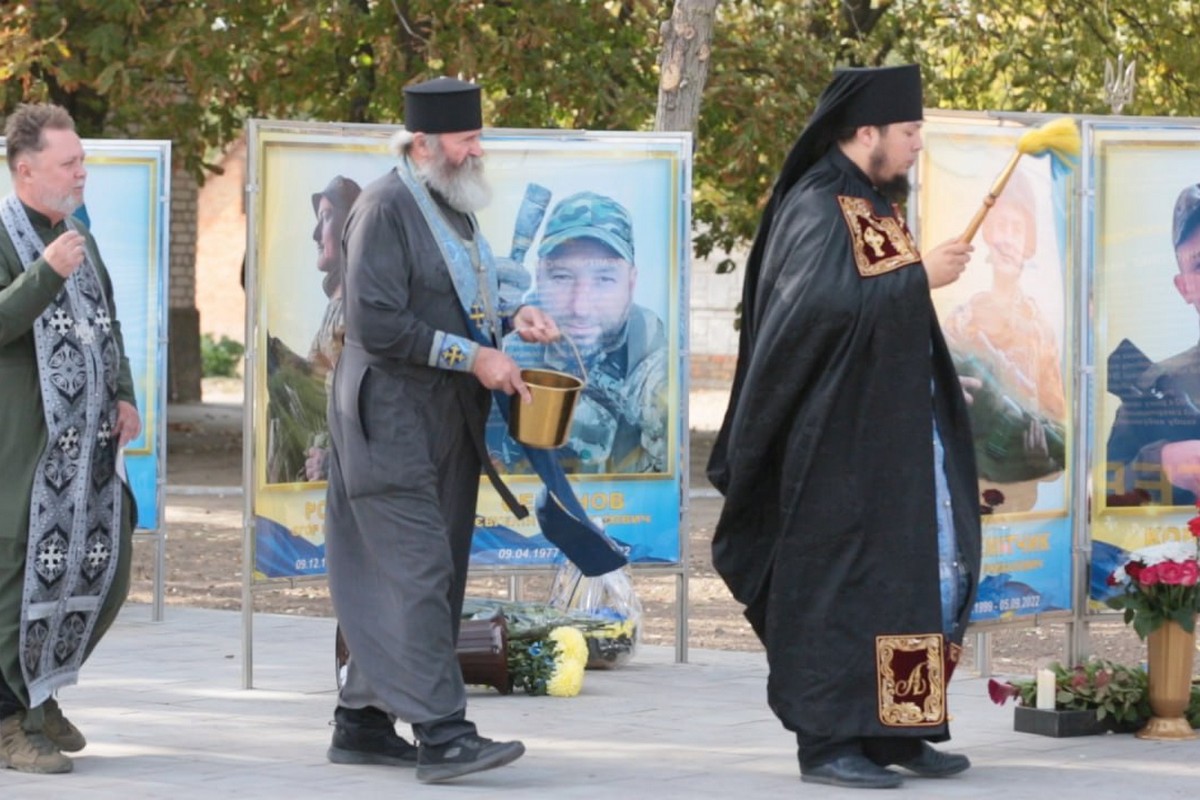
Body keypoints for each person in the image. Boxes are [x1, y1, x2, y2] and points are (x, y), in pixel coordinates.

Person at [707, 65, 981, 790]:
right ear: (868, 134)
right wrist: (921, 274)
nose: (919, 143)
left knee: (904, 585)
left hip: (886, 440)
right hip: (829, 447)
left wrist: (935, 375)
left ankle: (902, 726)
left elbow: (876, 319)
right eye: (910, 131)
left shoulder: (872, 202)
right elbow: (817, 314)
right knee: (836, 590)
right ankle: (827, 741)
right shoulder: (818, 203)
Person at [322, 76, 558, 784]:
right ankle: (444, 734)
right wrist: (474, 355)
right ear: (422, 143)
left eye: (478, 137)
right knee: (419, 571)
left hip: (442, 420)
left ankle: (361, 722)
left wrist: (514, 319)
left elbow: (466, 296)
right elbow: (377, 322)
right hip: (388, 418)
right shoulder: (386, 206)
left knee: (422, 572)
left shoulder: (449, 206)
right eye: (465, 139)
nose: (476, 150)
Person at [0, 103, 141, 774]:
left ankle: (43, 692)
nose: (82, 173)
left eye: (82, 160)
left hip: (88, 454)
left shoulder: (76, 235)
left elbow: (106, 326)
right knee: (16, 581)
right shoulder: (8, 234)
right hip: (21, 451)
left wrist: (126, 396)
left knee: (104, 569)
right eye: (69, 163)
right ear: (26, 170)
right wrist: (46, 271)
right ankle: (8, 723)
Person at [499, 190, 668, 474]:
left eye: (604, 279)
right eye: (562, 277)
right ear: (539, 277)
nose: (580, 307)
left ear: (631, 282)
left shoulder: (651, 352)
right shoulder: (510, 334)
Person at [942, 168, 1067, 493]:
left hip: (1025, 487)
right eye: (1000, 225)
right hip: (970, 481)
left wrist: (1042, 458)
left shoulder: (1040, 328)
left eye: (1017, 228)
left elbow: (1056, 418)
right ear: (987, 234)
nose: (1008, 238)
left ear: (1028, 242)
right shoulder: (961, 321)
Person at [1106, 183, 1200, 506]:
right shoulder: (1154, 384)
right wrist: (1162, 464)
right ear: (1184, 286)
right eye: (1199, 264)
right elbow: (1106, 496)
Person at [264, 175, 362, 484]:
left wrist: (333, 459)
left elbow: (355, 392)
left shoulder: (360, 300)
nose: (316, 233)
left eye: (326, 217)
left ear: (350, 226)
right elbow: (321, 375)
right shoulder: (340, 297)